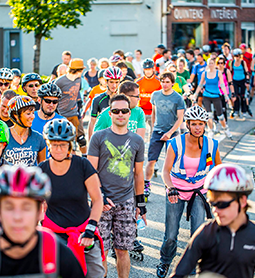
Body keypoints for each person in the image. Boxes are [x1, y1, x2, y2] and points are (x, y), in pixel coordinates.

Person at [0, 164, 85, 278]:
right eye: (9, 207)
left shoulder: (58, 254)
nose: (17, 217)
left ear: (40, 210)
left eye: (26, 207)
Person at [170, 164, 255, 278]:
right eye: (212, 204)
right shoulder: (206, 233)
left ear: (242, 201)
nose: (215, 211)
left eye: (222, 204)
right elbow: (179, 274)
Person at [156, 106, 221, 278]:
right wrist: (171, 188)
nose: (198, 128)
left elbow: (219, 170)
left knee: (198, 232)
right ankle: (165, 261)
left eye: (201, 124)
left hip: (199, 192)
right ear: (188, 125)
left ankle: (192, 262)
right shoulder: (175, 143)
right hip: (176, 190)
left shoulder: (211, 145)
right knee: (171, 234)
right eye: (194, 124)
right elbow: (165, 171)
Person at [88, 94, 146, 278]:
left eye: (124, 111)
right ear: (109, 113)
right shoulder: (98, 137)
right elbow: (90, 171)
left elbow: (138, 173)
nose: (120, 114)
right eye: (115, 111)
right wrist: (100, 196)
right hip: (101, 202)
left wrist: (140, 203)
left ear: (130, 113)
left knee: (122, 251)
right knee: (101, 252)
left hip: (126, 202)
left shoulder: (137, 141)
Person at [40, 119, 105, 277]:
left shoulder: (82, 165)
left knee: (97, 272)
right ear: (48, 144)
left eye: (63, 144)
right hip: (53, 231)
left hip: (83, 230)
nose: (59, 149)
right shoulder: (41, 169)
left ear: (70, 145)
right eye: (54, 144)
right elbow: (37, 205)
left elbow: (97, 199)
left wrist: (91, 228)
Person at [144, 72, 185, 201]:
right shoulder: (155, 95)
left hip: (172, 132)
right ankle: (146, 184)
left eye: (167, 82)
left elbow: (180, 119)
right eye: (163, 81)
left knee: (172, 162)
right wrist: (153, 129)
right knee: (151, 160)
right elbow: (153, 113)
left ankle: (171, 186)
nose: (165, 84)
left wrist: (170, 133)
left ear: (173, 83)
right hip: (157, 131)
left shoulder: (178, 98)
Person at [54, 58, 87, 154]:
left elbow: (77, 92)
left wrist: (79, 103)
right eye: (81, 70)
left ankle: (85, 158)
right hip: (62, 115)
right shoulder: (60, 81)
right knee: (68, 142)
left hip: (74, 114)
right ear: (78, 70)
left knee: (81, 139)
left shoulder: (79, 80)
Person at [194, 58, 232, 139]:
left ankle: (226, 129)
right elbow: (200, 84)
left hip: (216, 95)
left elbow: (222, 84)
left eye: (212, 63)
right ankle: (210, 130)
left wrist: (226, 95)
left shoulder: (218, 73)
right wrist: (195, 94)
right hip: (206, 95)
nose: (210, 65)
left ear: (214, 64)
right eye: (209, 63)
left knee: (220, 115)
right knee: (209, 115)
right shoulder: (204, 73)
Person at [5, 95, 46, 166]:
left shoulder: (39, 138)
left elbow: (42, 167)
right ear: (15, 115)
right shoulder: (4, 136)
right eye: (28, 114)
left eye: (33, 113)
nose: (32, 117)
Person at [88, 66, 122, 139]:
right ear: (106, 82)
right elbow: (92, 122)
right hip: (104, 137)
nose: (114, 85)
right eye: (111, 82)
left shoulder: (124, 99)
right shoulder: (98, 99)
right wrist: (90, 143)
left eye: (117, 82)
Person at [136, 58, 162, 133]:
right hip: (141, 111)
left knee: (154, 134)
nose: (147, 71)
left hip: (154, 112)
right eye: (146, 69)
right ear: (143, 70)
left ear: (153, 69)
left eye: (149, 69)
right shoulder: (138, 82)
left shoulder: (159, 81)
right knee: (139, 133)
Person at [229, 49, 250, 120]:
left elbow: (247, 72)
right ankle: (236, 111)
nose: (236, 57)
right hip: (235, 80)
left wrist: (247, 81)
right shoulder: (232, 62)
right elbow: (230, 72)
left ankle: (244, 111)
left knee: (243, 96)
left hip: (242, 80)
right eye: (235, 56)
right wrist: (230, 81)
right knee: (236, 96)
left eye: (238, 56)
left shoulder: (243, 62)